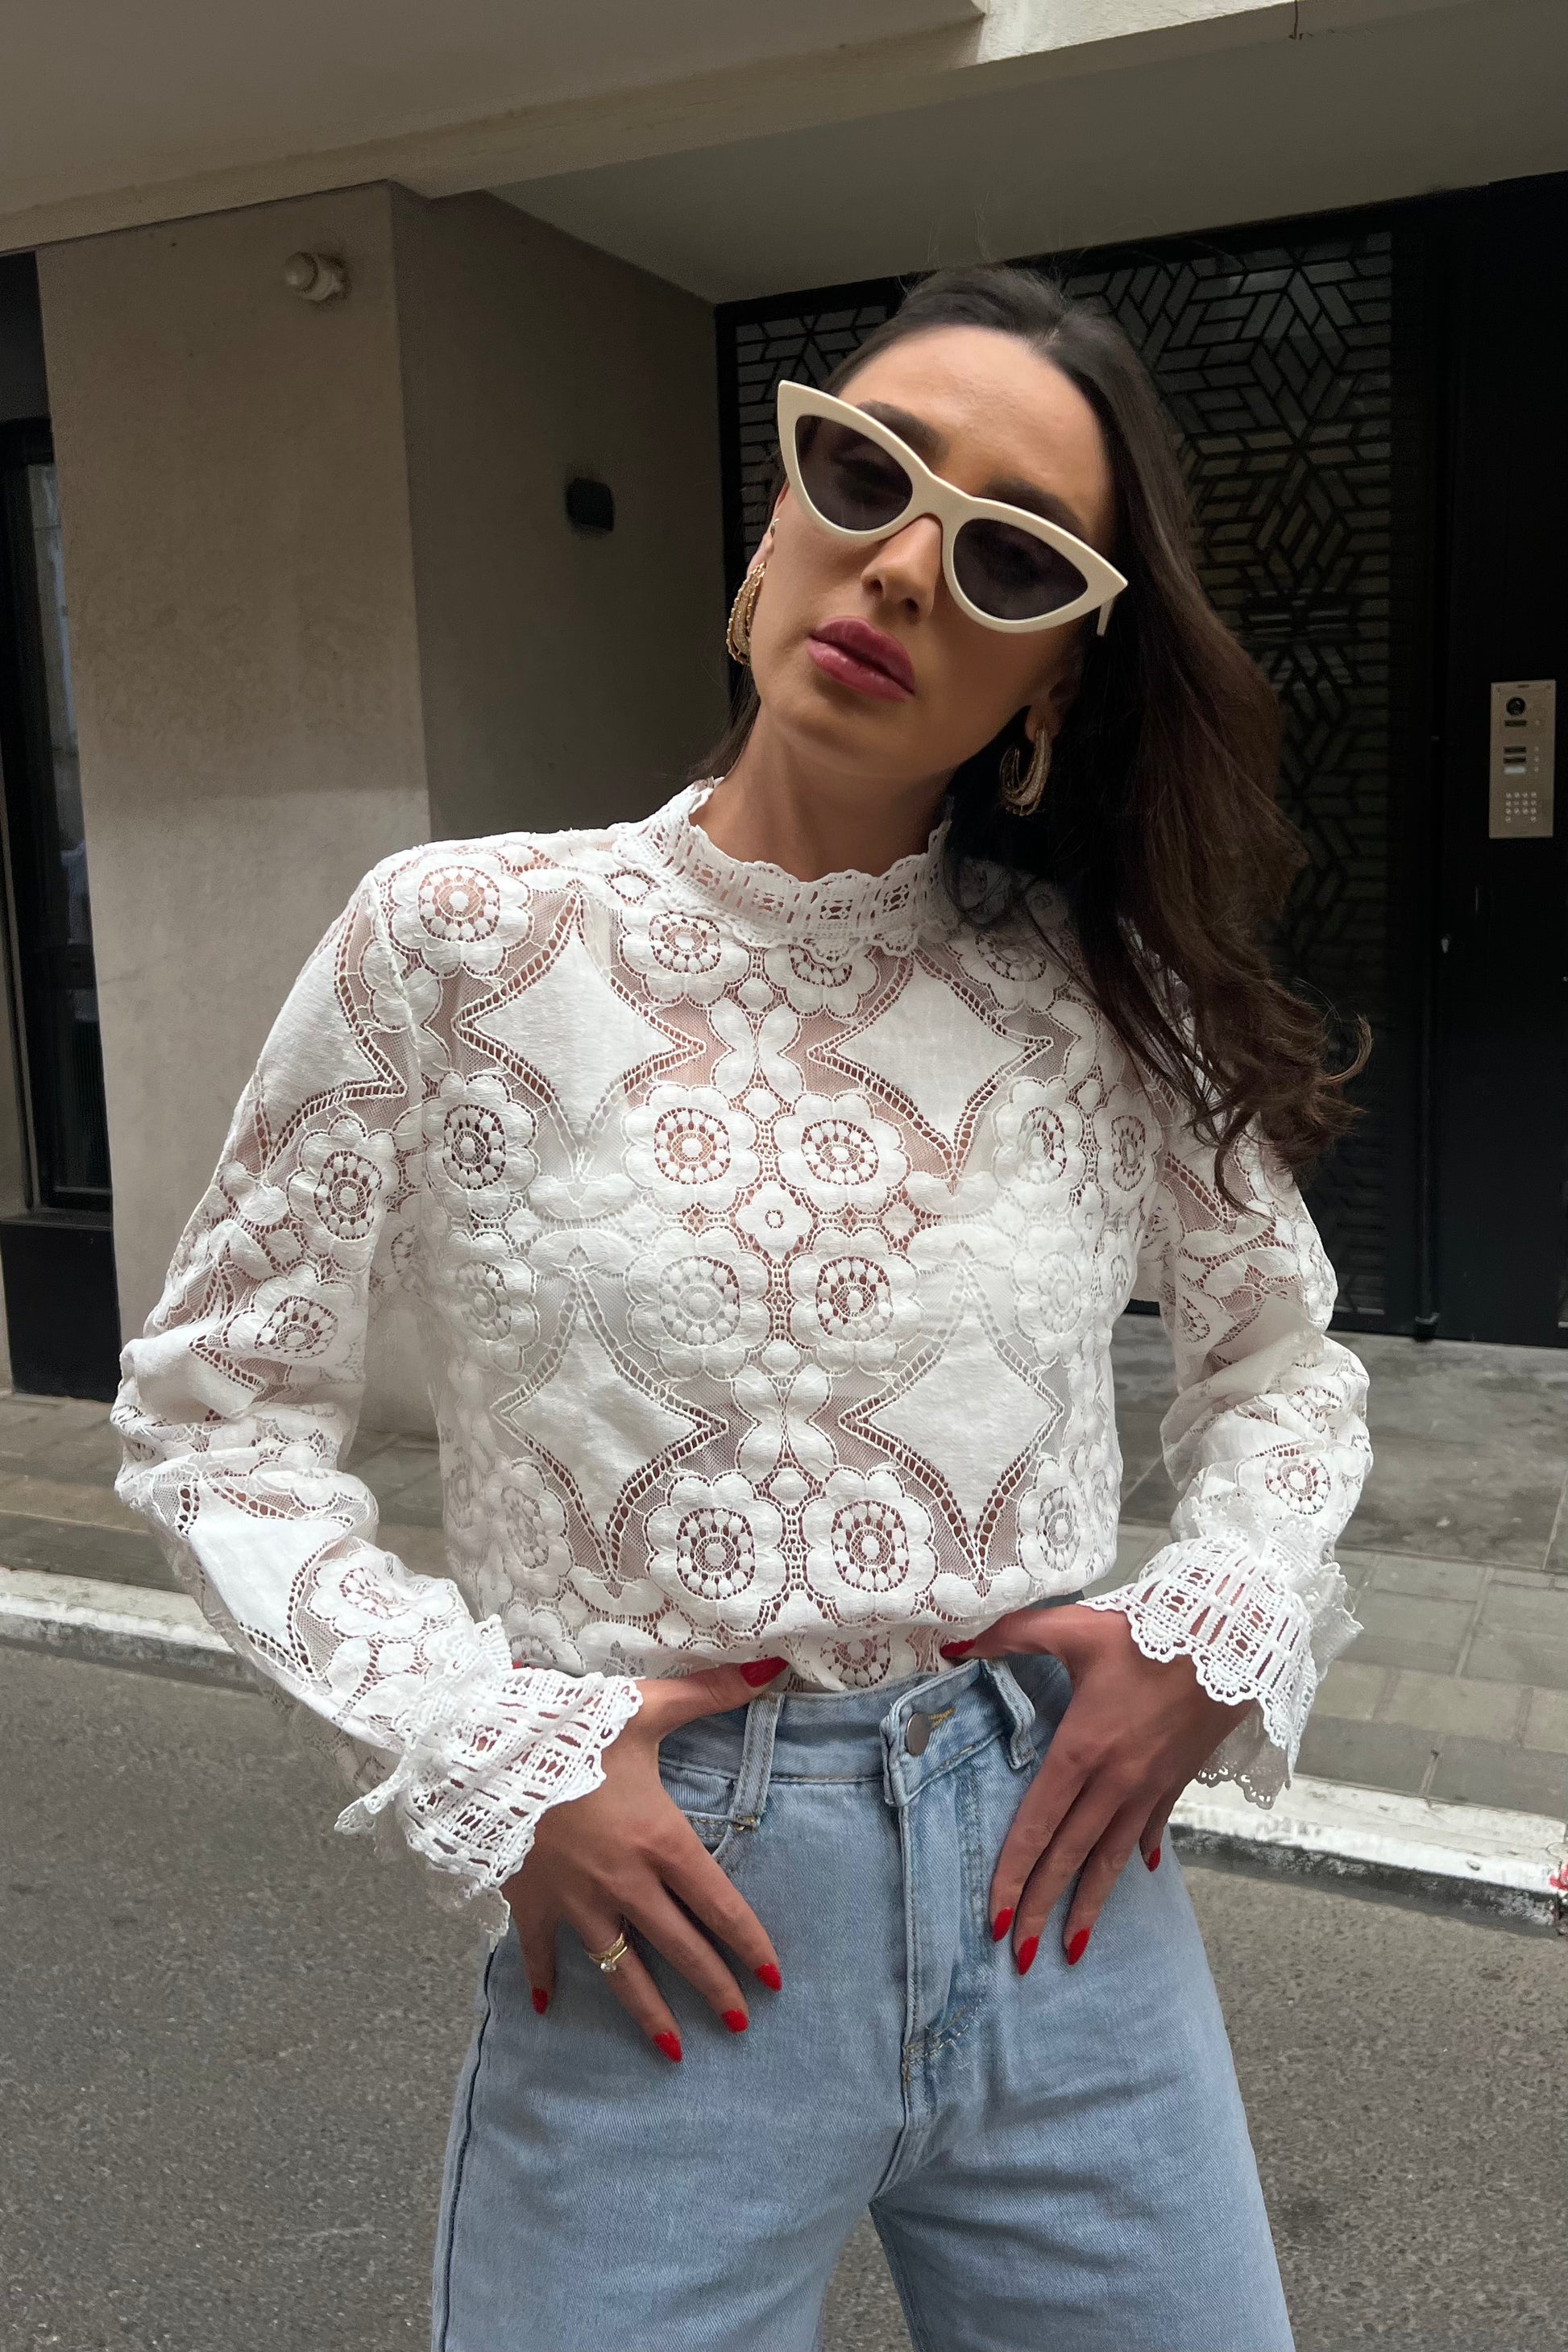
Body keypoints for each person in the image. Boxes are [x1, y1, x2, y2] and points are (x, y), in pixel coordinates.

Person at [115, 263, 1371, 2352]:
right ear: (776, 516)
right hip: (661, 1920)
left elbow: (1279, 1365)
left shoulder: (1095, 999)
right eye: (865, 474)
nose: (907, 565)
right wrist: (486, 1743)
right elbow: (211, 1412)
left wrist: (1210, 1629)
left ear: (1055, 676)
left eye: (1008, 556)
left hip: (1063, 1895)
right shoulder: (459, 944)